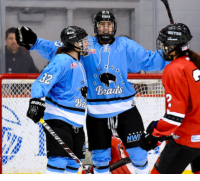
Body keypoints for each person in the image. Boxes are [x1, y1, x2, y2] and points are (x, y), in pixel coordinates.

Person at [15, 10, 170, 174]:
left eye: (109, 25)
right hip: (96, 112)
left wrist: (171, 54)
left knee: (138, 153)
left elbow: (149, 59)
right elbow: (61, 48)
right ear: (96, 27)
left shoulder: (125, 45)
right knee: (100, 158)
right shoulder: (86, 45)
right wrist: (37, 43)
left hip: (125, 108)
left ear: (114, 27)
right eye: (102, 25)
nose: (105, 29)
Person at [25, 26, 89, 174]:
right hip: (58, 116)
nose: (86, 43)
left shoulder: (80, 61)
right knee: (59, 160)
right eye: (83, 40)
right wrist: (36, 100)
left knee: (74, 163)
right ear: (74, 43)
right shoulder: (62, 60)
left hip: (77, 120)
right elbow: (43, 81)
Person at [139, 23, 200, 174]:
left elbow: (175, 116)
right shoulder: (195, 63)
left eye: (165, 44)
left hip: (187, 140)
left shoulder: (174, 69)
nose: (163, 48)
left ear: (173, 46)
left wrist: (154, 134)